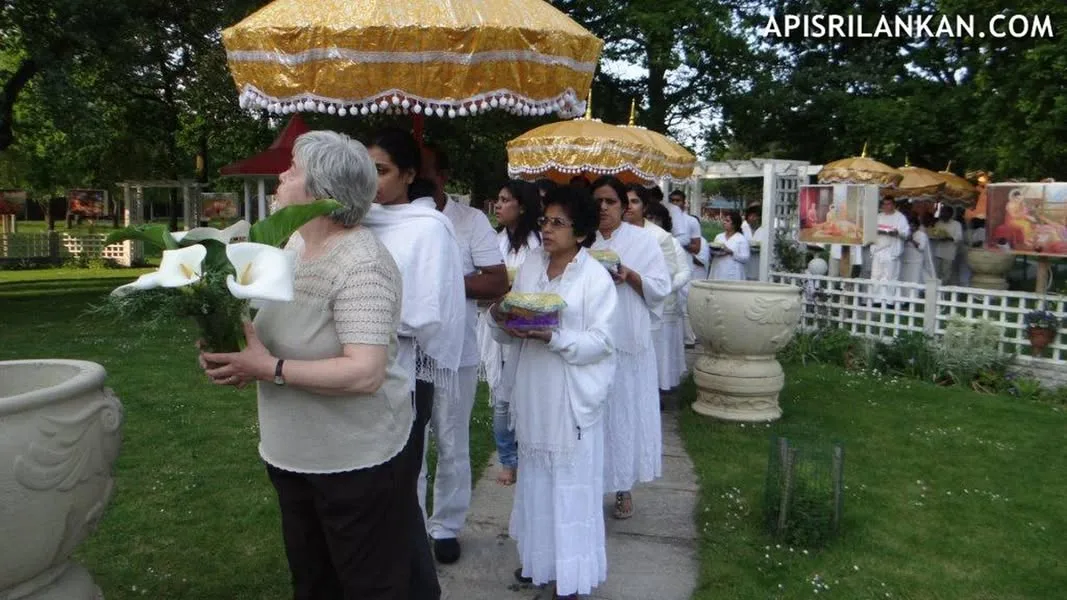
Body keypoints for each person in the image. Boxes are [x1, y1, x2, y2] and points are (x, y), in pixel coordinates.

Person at [200, 131, 416, 599]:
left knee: (371, 586)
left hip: (355, 464)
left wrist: (269, 368)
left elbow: (365, 372)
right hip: (293, 457)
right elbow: (280, 335)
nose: (280, 176)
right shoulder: (294, 248)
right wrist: (237, 354)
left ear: (322, 191)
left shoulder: (363, 264)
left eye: (293, 170)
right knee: (315, 583)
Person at [489, 186, 617, 600]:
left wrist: (556, 337)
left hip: (569, 395)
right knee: (536, 481)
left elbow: (601, 341)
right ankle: (537, 561)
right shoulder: (531, 265)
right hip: (534, 388)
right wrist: (501, 317)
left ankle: (570, 578)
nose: (546, 229)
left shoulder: (594, 277)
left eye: (557, 223)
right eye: (544, 220)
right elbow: (514, 320)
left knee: (570, 483)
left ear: (579, 233)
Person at [363, 127, 468, 599]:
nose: (371, 181)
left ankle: (412, 581)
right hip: (348, 372)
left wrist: (361, 319)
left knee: (398, 482)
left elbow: (427, 311)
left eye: (381, 171)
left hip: (404, 370)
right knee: (360, 485)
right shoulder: (354, 220)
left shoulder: (429, 228)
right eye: (364, 170)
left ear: (409, 175)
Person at [419, 144, 508, 563]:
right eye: (410, 170)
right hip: (406, 350)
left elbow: (495, 283)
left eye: (427, 170)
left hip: (457, 351)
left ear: (444, 175)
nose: (418, 178)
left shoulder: (470, 221)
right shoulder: (391, 217)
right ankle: (412, 525)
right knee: (407, 442)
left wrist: (442, 281)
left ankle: (447, 526)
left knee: (452, 441)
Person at [590, 175, 671, 520]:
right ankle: (590, 484)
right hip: (593, 337)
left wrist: (630, 275)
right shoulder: (582, 240)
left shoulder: (643, 241)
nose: (603, 208)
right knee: (594, 415)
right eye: (597, 202)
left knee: (623, 414)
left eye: (610, 201)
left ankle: (623, 487)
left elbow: (660, 287)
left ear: (624, 207)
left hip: (628, 337)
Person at [478, 179, 543, 486]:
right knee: (501, 397)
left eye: (505, 200)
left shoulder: (540, 244)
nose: (499, 206)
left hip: (526, 328)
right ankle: (508, 459)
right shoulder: (494, 240)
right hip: (496, 321)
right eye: (498, 200)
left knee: (527, 396)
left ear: (523, 206)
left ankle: (528, 455)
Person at [625, 186, 689, 402]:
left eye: (634, 201)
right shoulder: (611, 232)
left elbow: (667, 276)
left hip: (647, 305)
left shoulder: (659, 237)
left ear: (644, 206)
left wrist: (635, 278)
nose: (629, 206)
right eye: (625, 202)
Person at [870, 197, 910, 306]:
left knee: (890, 277)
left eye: (888, 204)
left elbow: (905, 234)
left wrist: (896, 233)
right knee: (876, 275)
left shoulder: (900, 217)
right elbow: (870, 230)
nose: (886, 206)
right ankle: (876, 300)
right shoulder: (878, 217)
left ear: (893, 205)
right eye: (884, 204)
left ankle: (889, 301)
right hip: (878, 250)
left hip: (891, 251)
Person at [900, 212, 935, 298]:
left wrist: (911, 240)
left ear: (916, 226)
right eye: (910, 226)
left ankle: (912, 298)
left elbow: (921, 247)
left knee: (913, 280)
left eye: (913, 226)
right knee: (905, 280)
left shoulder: (921, 234)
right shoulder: (906, 233)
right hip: (905, 261)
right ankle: (904, 298)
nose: (911, 228)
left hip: (916, 262)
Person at [709, 211, 750, 280]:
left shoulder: (741, 239)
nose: (724, 222)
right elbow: (713, 252)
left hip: (733, 273)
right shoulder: (719, 236)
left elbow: (745, 258)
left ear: (734, 224)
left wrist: (731, 252)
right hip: (718, 270)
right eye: (724, 220)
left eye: (727, 221)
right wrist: (714, 252)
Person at [932, 204, 962, 284]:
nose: (943, 214)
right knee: (936, 272)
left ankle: (944, 292)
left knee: (946, 273)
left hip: (949, 252)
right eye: (942, 212)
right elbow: (934, 234)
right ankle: (936, 290)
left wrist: (949, 238)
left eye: (945, 213)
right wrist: (938, 236)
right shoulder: (938, 223)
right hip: (938, 251)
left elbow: (959, 237)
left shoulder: (956, 224)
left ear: (950, 214)